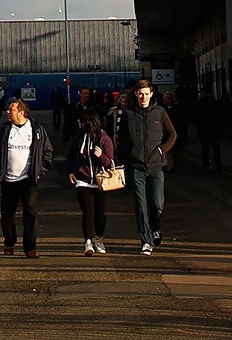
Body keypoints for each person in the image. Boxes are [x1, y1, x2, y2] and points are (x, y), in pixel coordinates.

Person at [117, 77, 177, 254]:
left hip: (156, 165)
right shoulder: (129, 114)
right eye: (140, 94)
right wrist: (124, 161)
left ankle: (156, 228)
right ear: (136, 94)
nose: (143, 97)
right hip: (137, 167)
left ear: (151, 94)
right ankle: (146, 241)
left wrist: (162, 150)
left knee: (157, 203)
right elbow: (122, 141)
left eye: (146, 94)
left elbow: (173, 134)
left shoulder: (160, 112)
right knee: (140, 206)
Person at [0, 97, 50, 257]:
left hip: (28, 180)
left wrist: (40, 171)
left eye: (11, 110)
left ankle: (30, 248)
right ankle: (9, 242)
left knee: (31, 214)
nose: (8, 112)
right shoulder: (5, 129)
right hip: (8, 180)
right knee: (7, 214)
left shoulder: (36, 130)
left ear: (21, 112)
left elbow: (48, 152)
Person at [68, 110, 115, 254]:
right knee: (88, 212)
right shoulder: (78, 138)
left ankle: (99, 239)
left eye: (81, 121)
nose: (79, 124)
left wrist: (101, 156)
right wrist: (71, 172)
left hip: (101, 181)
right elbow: (70, 156)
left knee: (100, 213)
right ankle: (88, 242)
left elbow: (110, 163)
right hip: (83, 181)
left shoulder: (104, 139)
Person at [193, 87, 222, 172]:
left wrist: (198, 128)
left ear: (203, 93)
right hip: (214, 129)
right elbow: (220, 117)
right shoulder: (216, 103)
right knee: (215, 147)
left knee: (205, 147)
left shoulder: (199, 104)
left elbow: (196, 118)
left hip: (203, 129)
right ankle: (218, 164)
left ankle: (205, 164)